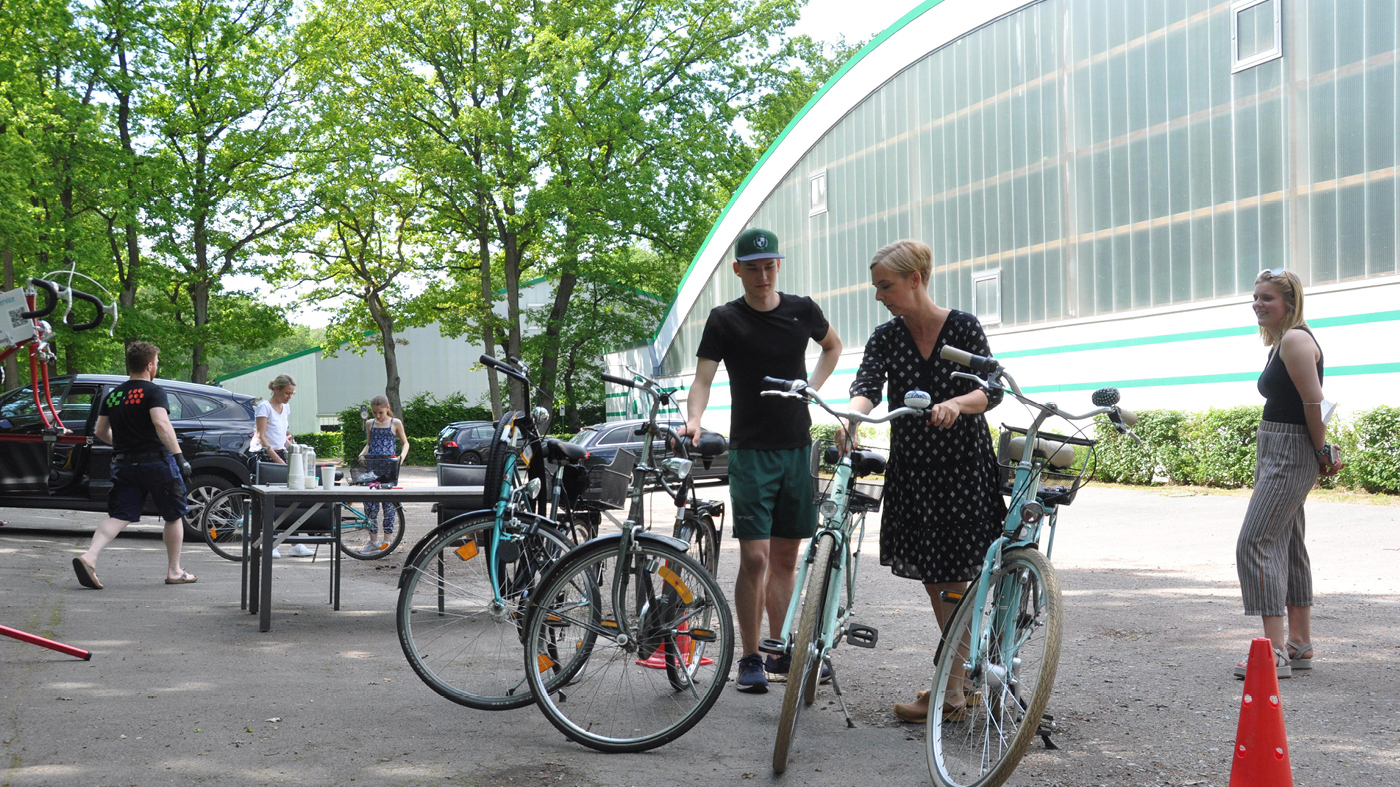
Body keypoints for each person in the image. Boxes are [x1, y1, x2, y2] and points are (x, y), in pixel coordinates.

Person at [840, 239, 1006, 723]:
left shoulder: (963, 326)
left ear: (916, 280)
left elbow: (989, 389)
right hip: (914, 471)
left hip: (962, 469)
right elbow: (866, 387)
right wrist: (851, 418)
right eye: (876, 287)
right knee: (940, 583)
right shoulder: (886, 337)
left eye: (885, 285)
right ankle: (963, 678)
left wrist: (957, 404)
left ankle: (952, 690)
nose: (879, 296)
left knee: (952, 581)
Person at [677, 227, 842, 694]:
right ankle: (748, 658)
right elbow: (704, 379)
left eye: (770, 266)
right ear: (738, 271)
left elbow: (833, 346)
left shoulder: (802, 309)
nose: (763, 275)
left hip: (796, 447)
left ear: (778, 266)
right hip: (750, 450)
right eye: (753, 268)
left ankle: (779, 648)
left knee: (787, 558)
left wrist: (814, 386)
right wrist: (694, 419)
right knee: (755, 557)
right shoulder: (724, 319)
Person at [1233, 268, 1337, 679]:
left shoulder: (1295, 339)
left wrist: (1319, 450)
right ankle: (1300, 644)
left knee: (1254, 542)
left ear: (1289, 303)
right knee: (1288, 543)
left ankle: (1274, 652)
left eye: (1268, 298)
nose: (1258, 304)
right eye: (1255, 297)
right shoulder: (1282, 342)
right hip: (1278, 447)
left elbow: (1316, 403)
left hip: (1291, 450)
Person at [72, 342, 197, 589]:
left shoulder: (114, 394)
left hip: (124, 464)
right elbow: (161, 424)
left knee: (120, 515)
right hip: (156, 463)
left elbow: (100, 431)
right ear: (149, 365)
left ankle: (89, 557)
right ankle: (174, 570)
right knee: (174, 515)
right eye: (157, 363)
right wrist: (179, 456)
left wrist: (123, 445)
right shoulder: (153, 391)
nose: (156, 367)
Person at [254, 374, 310, 557]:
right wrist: (277, 459)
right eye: (286, 393)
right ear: (276, 389)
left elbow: (282, 434)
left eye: (292, 393)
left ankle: (296, 542)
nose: (289, 397)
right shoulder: (264, 407)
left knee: (291, 498)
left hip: (281, 454)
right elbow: (262, 437)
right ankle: (272, 543)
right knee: (274, 501)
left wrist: (293, 449)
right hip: (268, 456)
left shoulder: (285, 407)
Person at [357, 395, 409, 553]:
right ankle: (373, 540)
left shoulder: (395, 423)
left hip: (389, 469)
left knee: (389, 505)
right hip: (373, 468)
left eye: (380, 412)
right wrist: (361, 454)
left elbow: (405, 443)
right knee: (370, 505)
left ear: (387, 408)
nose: (378, 416)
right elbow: (369, 444)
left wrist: (401, 458)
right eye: (374, 413)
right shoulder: (370, 424)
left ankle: (387, 540)